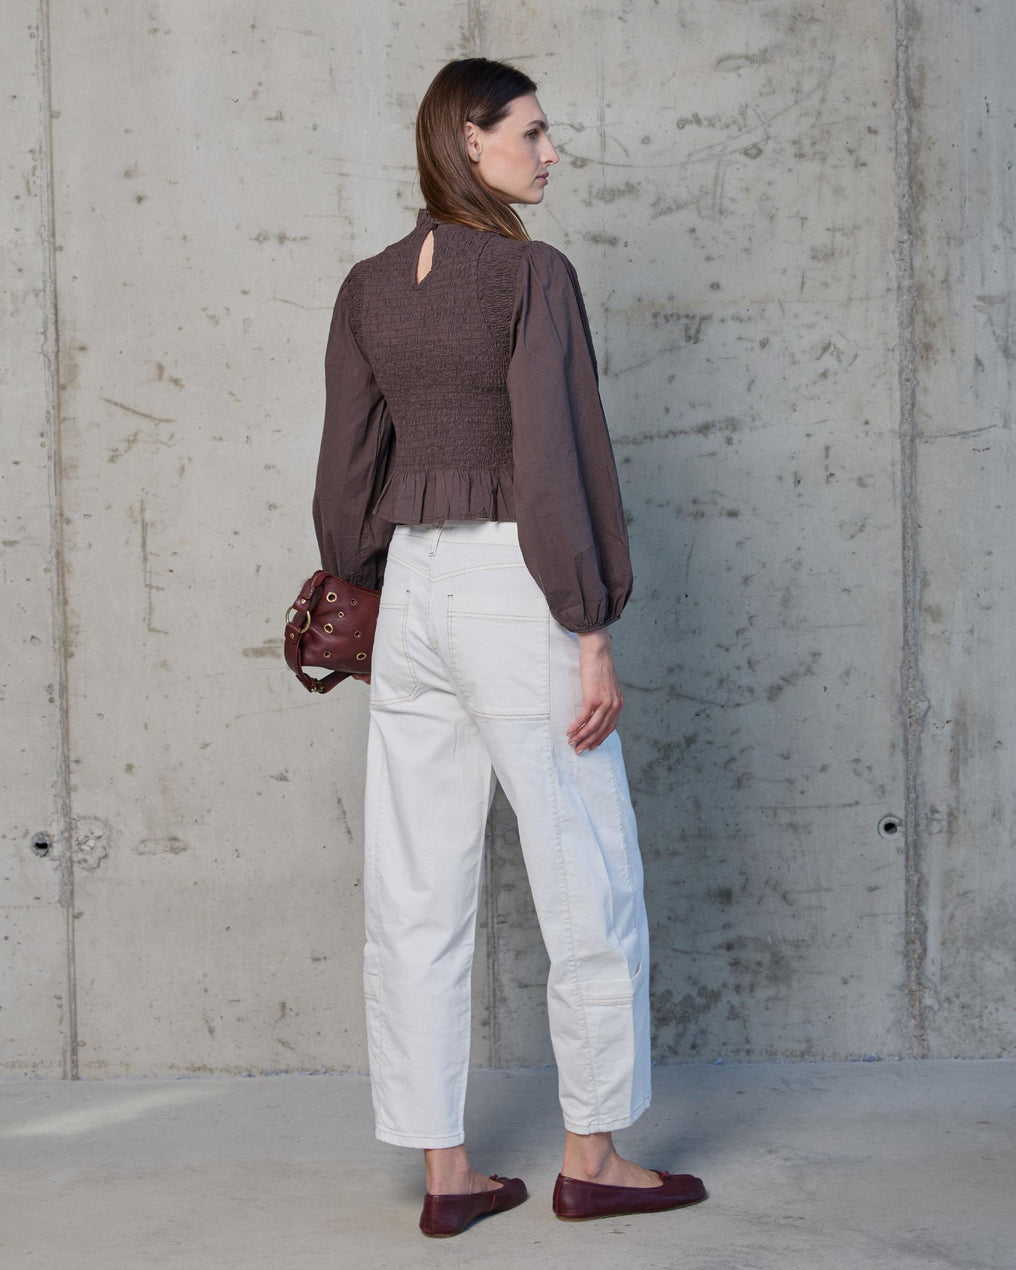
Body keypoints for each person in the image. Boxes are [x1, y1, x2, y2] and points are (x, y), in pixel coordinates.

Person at [313, 57, 706, 1237]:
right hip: (515, 583)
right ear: (467, 142)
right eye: (531, 133)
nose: (549, 154)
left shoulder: (369, 285)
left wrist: (373, 578)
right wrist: (586, 623)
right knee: (587, 877)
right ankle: (592, 1156)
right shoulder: (532, 276)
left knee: (415, 892)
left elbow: (345, 481)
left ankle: (447, 1173)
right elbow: (557, 453)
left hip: (413, 591)